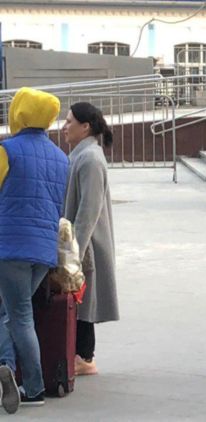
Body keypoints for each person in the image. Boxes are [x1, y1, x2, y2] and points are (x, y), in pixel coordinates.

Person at [0, 88, 68, 412]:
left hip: (10, 245)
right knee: (13, 312)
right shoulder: (61, 158)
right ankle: (10, 369)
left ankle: (30, 383)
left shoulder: (7, 150)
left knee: (18, 315)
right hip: (43, 250)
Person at [62, 102, 119, 377]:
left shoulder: (90, 159)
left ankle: (85, 357)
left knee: (84, 299)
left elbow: (88, 210)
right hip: (83, 242)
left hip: (88, 244)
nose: (64, 127)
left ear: (85, 127)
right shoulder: (82, 155)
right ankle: (82, 355)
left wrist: (74, 251)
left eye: (69, 121)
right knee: (82, 298)